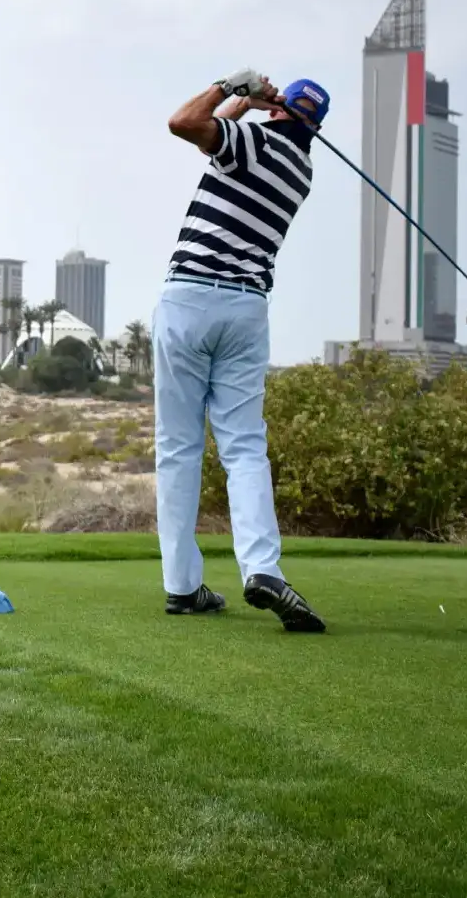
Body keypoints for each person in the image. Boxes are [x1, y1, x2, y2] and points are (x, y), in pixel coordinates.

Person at [153, 68, 330, 633]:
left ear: (280, 114)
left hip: (189, 301)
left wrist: (233, 85)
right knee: (246, 448)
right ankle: (262, 568)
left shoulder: (251, 143)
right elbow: (215, 136)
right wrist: (250, 104)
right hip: (247, 310)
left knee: (179, 448)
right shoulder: (300, 172)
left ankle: (182, 586)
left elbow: (185, 123)